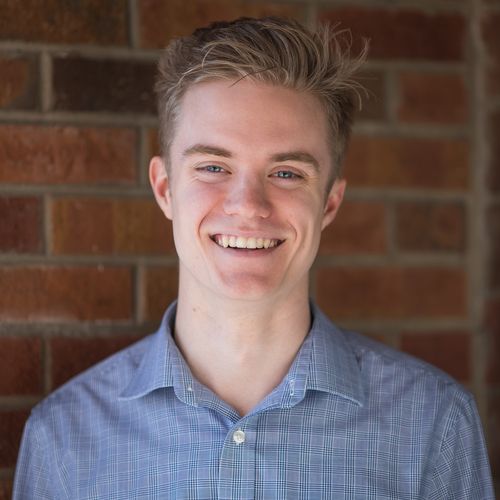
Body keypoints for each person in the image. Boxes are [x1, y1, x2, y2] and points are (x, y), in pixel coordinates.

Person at [13, 17, 494, 499]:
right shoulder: (65, 437)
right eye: (214, 167)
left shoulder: (432, 423)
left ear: (329, 202)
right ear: (165, 189)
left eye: (286, 173)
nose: (248, 205)